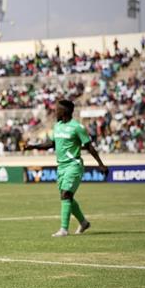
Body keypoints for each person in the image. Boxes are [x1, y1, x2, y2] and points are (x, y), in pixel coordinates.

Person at [25, 99, 108, 237]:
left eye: (57, 109)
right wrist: (34, 146)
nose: (55, 111)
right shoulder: (57, 126)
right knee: (66, 197)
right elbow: (52, 144)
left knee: (66, 195)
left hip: (74, 165)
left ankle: (64, 229)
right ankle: (83, 222)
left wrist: (101, 164)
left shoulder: (77, 127)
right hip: (61, 167)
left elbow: (89, 147)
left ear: (65, 111)